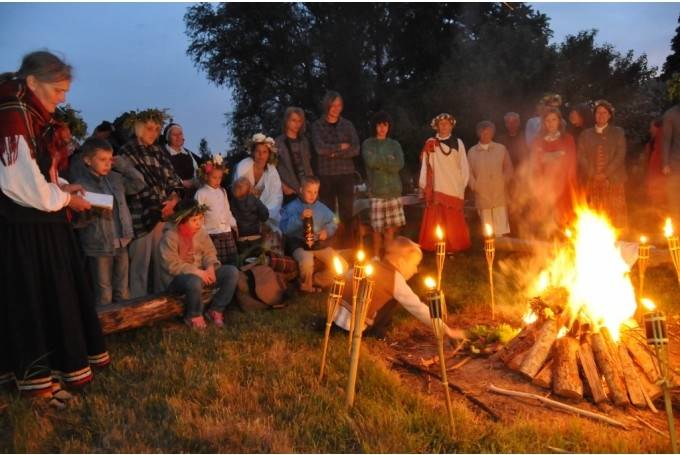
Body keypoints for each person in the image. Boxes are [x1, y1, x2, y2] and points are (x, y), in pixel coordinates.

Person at [0, 51, 110, 406]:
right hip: (23, 229)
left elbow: (38, 174)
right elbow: (19, 184)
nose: (63, 97)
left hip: (42, 223)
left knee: (51, 298)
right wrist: (64, 200)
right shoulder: (12, 114)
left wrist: (62, 186)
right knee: (33, 302)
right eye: (58, 89)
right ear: (33, 82)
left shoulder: (30, 113)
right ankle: (37, 386)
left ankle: (50, 378)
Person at [333, 237, 467, 340]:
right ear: (401, 261)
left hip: (334, 318)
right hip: (353, 328)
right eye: (414, 264)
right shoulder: (395, 280)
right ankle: (376, 332)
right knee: (392, 300)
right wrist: (447, 330)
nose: (415, 270)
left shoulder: (373, 263)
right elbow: (418, 308)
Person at [73, 138, 145, 306]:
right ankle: (105, 328)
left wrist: (124, 166)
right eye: (102, 159)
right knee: (104, 291)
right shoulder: (81, 183)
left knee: (122, 288)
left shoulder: (115, 178)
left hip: (121, 240)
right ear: (88, 160)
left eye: (110, 159)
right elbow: (78, 217)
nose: (107, 164)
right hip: (99, 244)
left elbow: (139, 183)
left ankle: (125, 326)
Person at [119, 109, 183, 297]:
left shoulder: (159, 152)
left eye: (156, 129)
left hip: (165, 213)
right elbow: (132, 184)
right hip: (142, 214)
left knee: (162, 260)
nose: (153, 133)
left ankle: (162, 301)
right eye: (149, 129)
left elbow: (174, 181)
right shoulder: (127, 151)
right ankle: (138, 304)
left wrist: (173, 200)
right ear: (139, 128)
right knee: (140, 263)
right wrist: (158, 207)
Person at [159, 199, 240, 329]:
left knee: (232, 272)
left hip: (201, 274)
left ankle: (216, 309)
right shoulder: (170, 236)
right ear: (183, 221)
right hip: (177, 280)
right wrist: (197, 271)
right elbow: (171, 264)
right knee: (194, 281)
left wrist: (210, 267)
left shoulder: (200, 232)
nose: (198, 224)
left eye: (200, 219)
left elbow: (209, 251)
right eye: (194, 221)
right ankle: (193, 315)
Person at [280, 176, 348, 292]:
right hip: (299, 244)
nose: (312, 195)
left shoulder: (321, 208)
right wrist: (299, 218)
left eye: (315, 192)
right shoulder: (292, 207)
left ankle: (316, 281)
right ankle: (306, 286)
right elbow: (284, 228)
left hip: (317, 243)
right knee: (307, 263)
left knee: (342, 265)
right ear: (301, 190)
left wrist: (327, 231)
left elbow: (335, 220)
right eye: (309, 191)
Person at [311, 91, 360, 247]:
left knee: (347, 212)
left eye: (338, 105)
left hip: (346, 173)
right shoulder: (317, 126)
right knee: (328, 212)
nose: (335, 108)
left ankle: (348, 246)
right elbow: (320, 149)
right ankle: (331, 247)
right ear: (327, 106)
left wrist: (332, 152)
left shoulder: (348, 125)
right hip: (326, 174)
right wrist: (340, 147)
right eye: (332, 105)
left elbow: (355, 149)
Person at [418, 113, 470, 252]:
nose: (444, 126)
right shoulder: (430, 142)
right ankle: (435, 245)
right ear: (436, 126)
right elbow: (425, 164)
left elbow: (463, 165)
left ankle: (454, 246)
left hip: (453, 185)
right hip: (437, 186)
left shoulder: (458, 142)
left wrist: (462, 185)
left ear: (452, 125)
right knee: (437, 217)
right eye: (441, 124)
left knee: (452, 218)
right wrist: (423, 184)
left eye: (447, 123)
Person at [577, 100, 628, 231]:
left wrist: (605, 174)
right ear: (594, 115)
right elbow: (581, 156)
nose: (601, 115)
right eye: (598, 112)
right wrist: (593, 174)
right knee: (594, 215)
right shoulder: (585, 134)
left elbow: (620, 155)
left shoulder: (618, 133)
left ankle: (616, 246)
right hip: (592, 181)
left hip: (614, 181)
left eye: (604, 112)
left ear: (610, 115)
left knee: (614, 218)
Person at [362, 111, 405, 259]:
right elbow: (371, 162)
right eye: (379, 125)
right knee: (376, 228)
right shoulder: (368, 144)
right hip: (377, 191)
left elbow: (399, 164)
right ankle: (375, 257)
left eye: (385, 125)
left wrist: (382, 162)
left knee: (390, 229)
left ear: (389, 127)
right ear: (375, 127)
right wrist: (388, 159)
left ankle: (388, 257)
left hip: (393, 191)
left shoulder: (395, 144)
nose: (382, 128)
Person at [530, 107, 577, 233]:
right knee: (547, 220)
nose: (551, 123)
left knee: (565, 219)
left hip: (564, 186)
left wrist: (547, 156)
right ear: (543, 123)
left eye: (554, 120)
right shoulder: (538, 141)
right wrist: (557, 154)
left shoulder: (567, 139)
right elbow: (536, 163)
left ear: (559, 121)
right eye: (547, 120)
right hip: (545, 185)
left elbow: (570, 161)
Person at [467, 121, 514, 236]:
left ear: (493, 133)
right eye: (483, 132)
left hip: (499, 193)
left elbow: (509, 168)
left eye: (489, 132)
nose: (486, 134)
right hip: (482, 194)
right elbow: (468, 173)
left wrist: (503, 182)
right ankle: (490, 249)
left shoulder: (501, 149)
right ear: (479, 133)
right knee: (487, 228)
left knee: (501, 226)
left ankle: (502, 249)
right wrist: (475, 185)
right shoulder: (472, 152)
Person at [194, 154, 238, 266]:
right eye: (214, 177)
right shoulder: (201, 193)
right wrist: (202, 234)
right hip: (212, 234)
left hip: (226, 232)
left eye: (220, 178)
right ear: (206, 176)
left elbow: (227, 210)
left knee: (232, 262)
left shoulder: (223, 191)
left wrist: (233, 224)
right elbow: (198, 215)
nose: (217, 180)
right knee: (216, 263)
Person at [234, 133, 283, 233]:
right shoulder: (243, 166)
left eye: (265, 152)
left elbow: (276, 196)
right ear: (253, 153)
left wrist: (265, 213)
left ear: (269, 154)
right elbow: (237, 191)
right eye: (258, 151)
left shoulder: (272, 171)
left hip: (266, 213)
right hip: (245, 214)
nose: (261, 155)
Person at [275, 107, 314, 204]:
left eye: (299, 121)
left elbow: (308, 165)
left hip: (307, 189)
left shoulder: (304, 141)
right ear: (286, 121)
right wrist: (284, 186)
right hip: (290, 190)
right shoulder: (278, 142)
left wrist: (312, 184)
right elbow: (273, 169)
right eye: (293, 120)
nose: (297, 124)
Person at [230, 176, 269, 259]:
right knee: (256, 260)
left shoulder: (233, 202)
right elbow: (265, 214)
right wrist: (261, 220)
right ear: (250, 188)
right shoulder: (254, 200)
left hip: (241, 237)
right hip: (255, 236)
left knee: (243, 260)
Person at [163, 122, 200, 198]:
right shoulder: (163, 153)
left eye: (180, 134)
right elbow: (165, 174)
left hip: (193, 193)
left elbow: (197, 170)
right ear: (168, 137)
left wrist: (196, 181)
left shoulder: (188, 154)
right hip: (174, 195)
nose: (178, 137)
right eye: (174, 135)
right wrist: (182, 183)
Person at [661, 102, 680, 222]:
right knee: (675, 202)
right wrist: (665, 163)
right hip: (676, 163)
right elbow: (666, 140)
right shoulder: (671, 114)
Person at [644, 118, 666, 212]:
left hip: (659, 184)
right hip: (654, 183)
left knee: (660, 209)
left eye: (651, 127)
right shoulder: (653, 143)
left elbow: (656, 165)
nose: (650, 130)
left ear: (658, 128)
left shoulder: (661, 143)